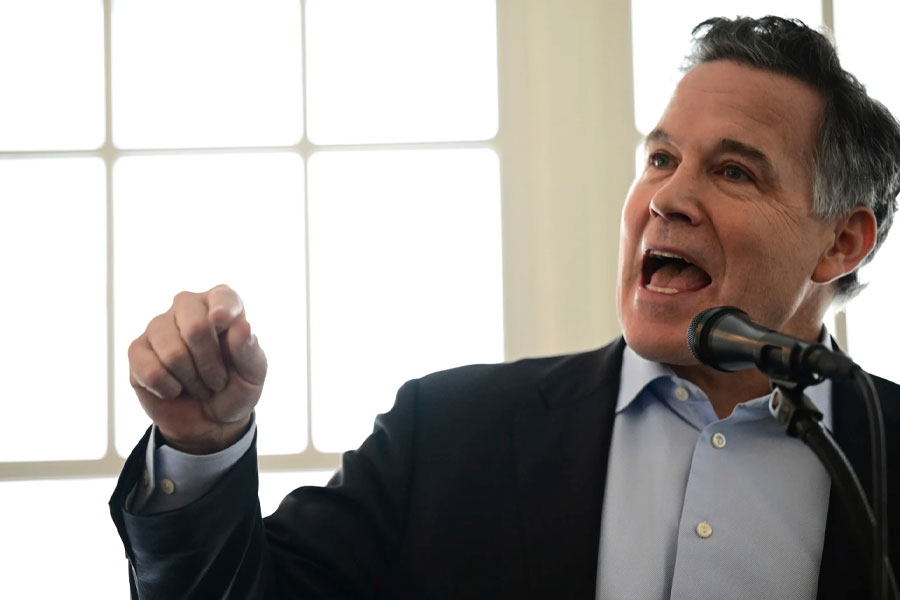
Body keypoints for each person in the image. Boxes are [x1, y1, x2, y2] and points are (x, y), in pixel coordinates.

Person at [110, 16, 900, 599]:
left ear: (842, 242)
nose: (667, 198)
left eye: (733, 172)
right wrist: (202, 446)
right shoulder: (444, 434)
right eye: (660, 158)